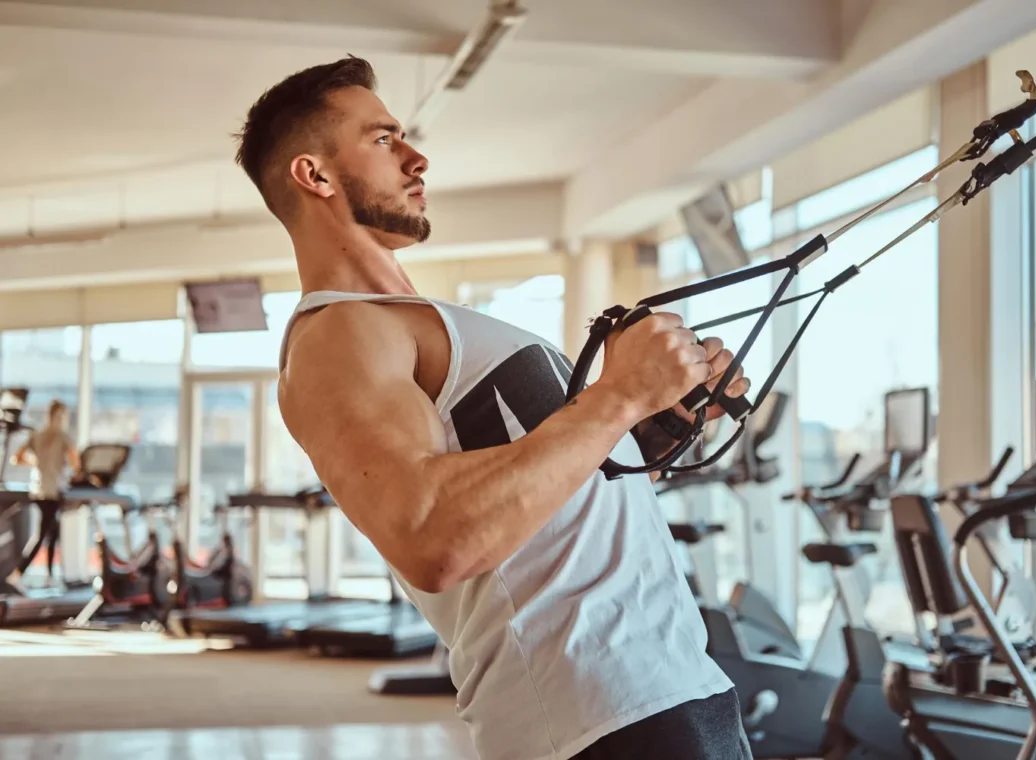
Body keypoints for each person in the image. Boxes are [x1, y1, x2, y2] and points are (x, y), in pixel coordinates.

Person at [236, 56, 753, 760]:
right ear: (315, 174)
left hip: (670, 679)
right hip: (592, 710)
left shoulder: (422, 320)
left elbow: (554, 504)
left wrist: (660, 418)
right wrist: (619, 394)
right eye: (384, 140)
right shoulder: (337, 334)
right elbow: (430, 539)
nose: (417, 158)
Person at [11, 399, 80, 584]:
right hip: (54, 490)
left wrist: (36, 463)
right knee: (42, 535)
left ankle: (49, 576)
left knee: (52, 532)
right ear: (62, 416)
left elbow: (15, 458)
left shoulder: (38, 435)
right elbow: (77, 465)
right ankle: (18, 572)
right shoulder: (64, 437)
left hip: (39, 489)